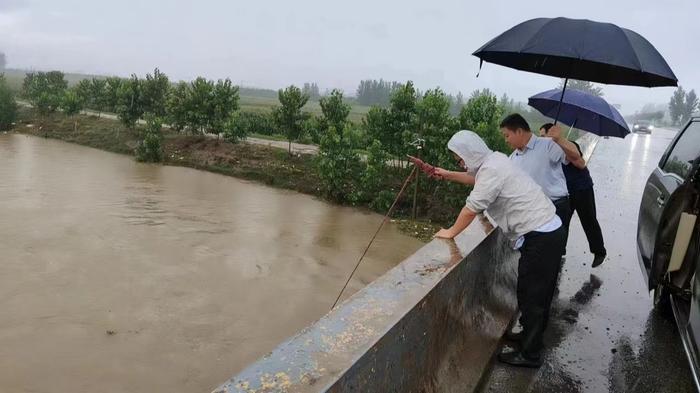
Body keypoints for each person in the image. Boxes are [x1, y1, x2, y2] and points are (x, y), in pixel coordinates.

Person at [433, 130, 565, 368]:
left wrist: (450, 232)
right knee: (531, 291)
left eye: (459, 158)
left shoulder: (492, 170)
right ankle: (528, 338)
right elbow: (477, 180)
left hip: (541, 235)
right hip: (545, 231)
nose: (460, 163)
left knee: (533, 295)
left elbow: (470, 208)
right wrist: (448, 175)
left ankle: (530, 354)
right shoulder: (495, 160)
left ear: (470, 153)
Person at [499, 114, 586, 256]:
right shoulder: (513, 158)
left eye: (507, 135)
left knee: (552, 257)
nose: (506, 140)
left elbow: (579, 161)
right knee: (536, 257)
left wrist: (560, 140)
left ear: (519, 131)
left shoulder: (547, 145)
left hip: (556, 207)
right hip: (533, 213)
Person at [540, 123, 607, 267]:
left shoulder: (569, 145)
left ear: (552, 133)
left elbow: (581, 163)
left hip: (581, 188)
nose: (541, 139)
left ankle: (599, 251)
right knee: (561, 223)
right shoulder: (545, 151)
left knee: (588, 219)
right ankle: (559, 251)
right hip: (564, 192)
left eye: (543, 135)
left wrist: (560, 141)